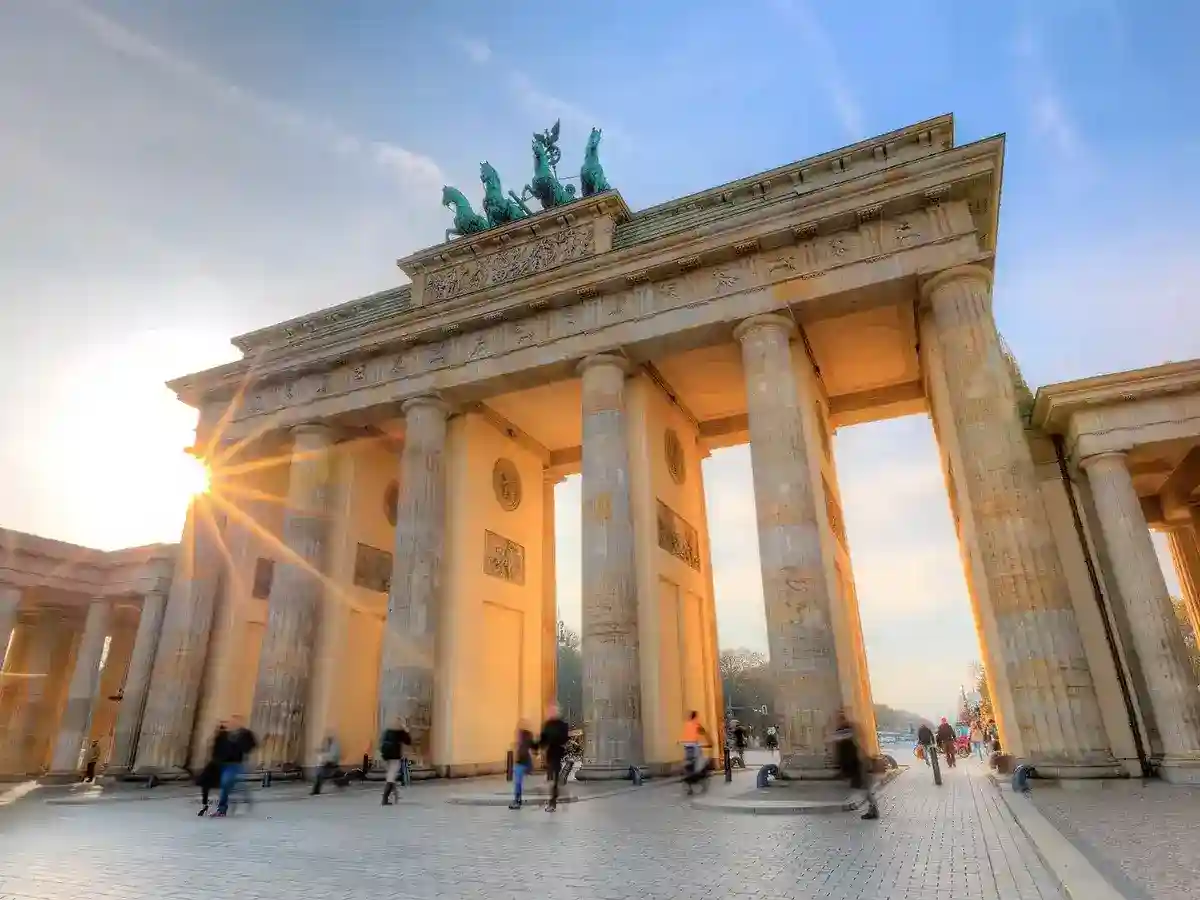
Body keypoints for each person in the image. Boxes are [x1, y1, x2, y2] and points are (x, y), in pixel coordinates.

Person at [831, 710, 878, 820]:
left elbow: (847, 745)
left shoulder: (846, 730)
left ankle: (872, 809)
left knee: (863, 788)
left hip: (855, 763)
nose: (838, 720)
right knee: (861, 788)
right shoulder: (845, 730)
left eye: (839, 718)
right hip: (853, 763)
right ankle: (871, 807)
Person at [213, 716, 257, 817]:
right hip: (223, 764)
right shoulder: (223, 734)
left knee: (226, 784)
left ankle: (222, 809)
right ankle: (243, 800)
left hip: (235, 764)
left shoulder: (244, 734)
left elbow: (250, 746)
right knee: (232, 785)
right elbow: (216, 748)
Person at [538, 703, 570, 812]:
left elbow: (564, 739)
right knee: (551, 779)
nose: (551, 713)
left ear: (557, 713)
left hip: (557, 754)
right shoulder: (547, 725)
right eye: (550, 711)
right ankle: (554, 796)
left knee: (554, 779)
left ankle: (553, 802)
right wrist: (538, 748)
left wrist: (553, 739)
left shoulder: (562, 725)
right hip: (550, 754)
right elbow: (543, 739)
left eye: (553, 711)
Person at [196, 722, 227, 816]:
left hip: (215, 765)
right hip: (217, 766)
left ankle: (206, 805)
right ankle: (216, 807)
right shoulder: (221, 740)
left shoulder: (220, 740)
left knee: (206, 786)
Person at [379, 718, 412, 806]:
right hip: (394, 757)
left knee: (390, 776)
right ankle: (385, 799)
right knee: (391, 777)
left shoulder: (387, 730)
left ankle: (395, 796)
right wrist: (406, 730)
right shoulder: (399, 732)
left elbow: (381, 741)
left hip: (386, 756)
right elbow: (408, 741)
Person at [509, 720, 537, 810]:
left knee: (518, 782)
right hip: (520, 761)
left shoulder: (526, 734)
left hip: (523, 761)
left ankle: (517, 801)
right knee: (518, 782)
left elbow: (532, 747)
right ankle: (518, 800)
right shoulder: (521, 734)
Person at [681, 710, 709, 795]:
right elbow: (703, 732)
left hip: (687, 747)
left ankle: (689, 787)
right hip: (694, 747)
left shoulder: (687, 724)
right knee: (700, 765)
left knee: (689, 766)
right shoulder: (696, 724)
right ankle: (702, 784)